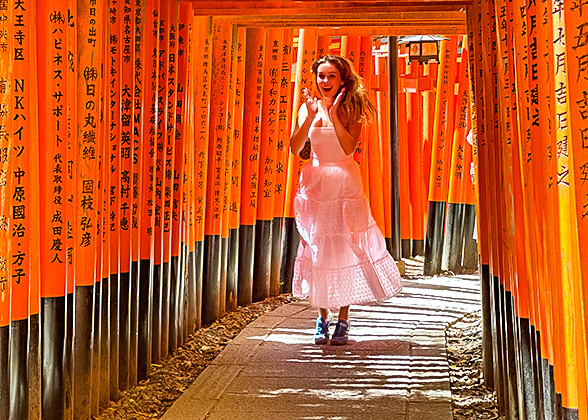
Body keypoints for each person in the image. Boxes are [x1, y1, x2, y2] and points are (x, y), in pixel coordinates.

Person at [289, 55, 402, 346]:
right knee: (317, 247)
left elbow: (348, 145)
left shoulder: (351, 108)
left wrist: (335, 114)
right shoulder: (307, 108)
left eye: (331, 77)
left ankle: (344, 317)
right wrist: (313, 116)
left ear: (342, 80)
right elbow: (295, 146)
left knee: (345, 245)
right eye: (321, 76)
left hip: (344, 180)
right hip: (315, 180)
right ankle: (321, 316)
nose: (325, 82)